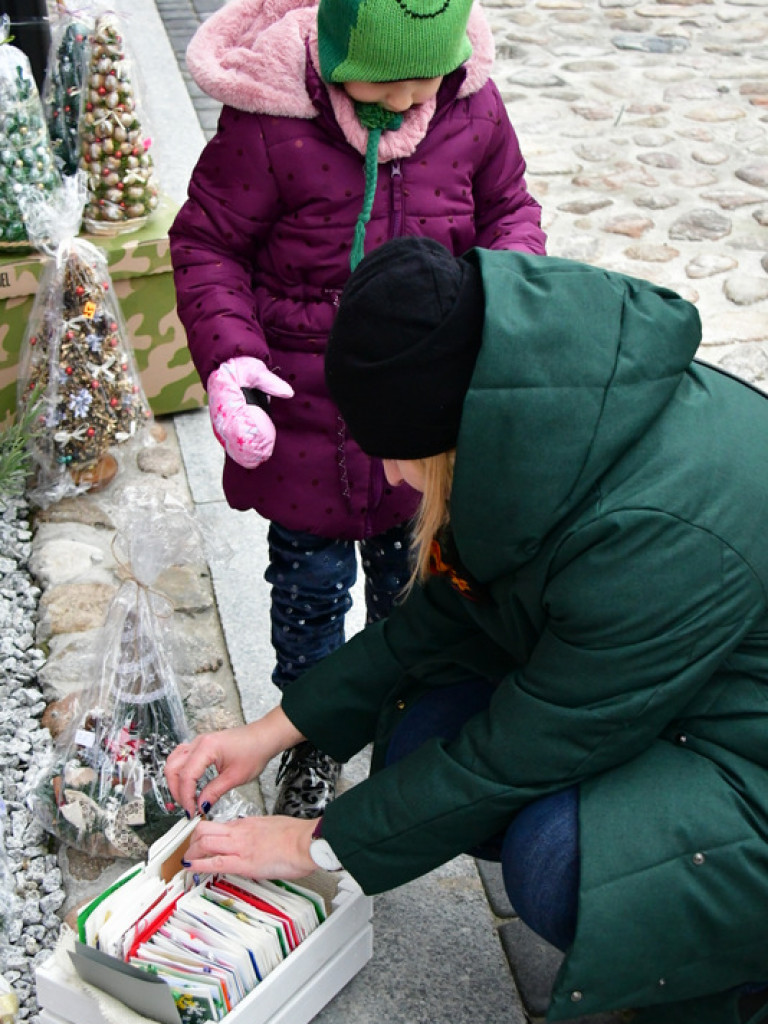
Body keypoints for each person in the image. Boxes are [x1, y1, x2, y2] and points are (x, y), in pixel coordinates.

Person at [167, 236, 768, 1024]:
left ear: (457, 431)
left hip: (745, 752)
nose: (389, 478)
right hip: (678, 695)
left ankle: (731, 978)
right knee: (422, 735)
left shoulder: (652, 536)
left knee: (556, 860)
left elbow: (527, 747)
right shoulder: (545, 417)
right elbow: (446, 619)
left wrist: (316, 843)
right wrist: (270, 733)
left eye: (400, 455)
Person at [168, 0, 546, 819]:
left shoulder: (468, 101)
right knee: (307, 594)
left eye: (428, 79)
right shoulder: (269, 126)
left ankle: (404, 729)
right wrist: (232, 357)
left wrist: (505, 305)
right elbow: (208, 242)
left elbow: (510, 208)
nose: (413, 99)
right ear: (337, 53)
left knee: (416, 593)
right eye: (389, 80)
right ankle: (310, 741)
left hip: (424, 424)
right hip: (307, 420)